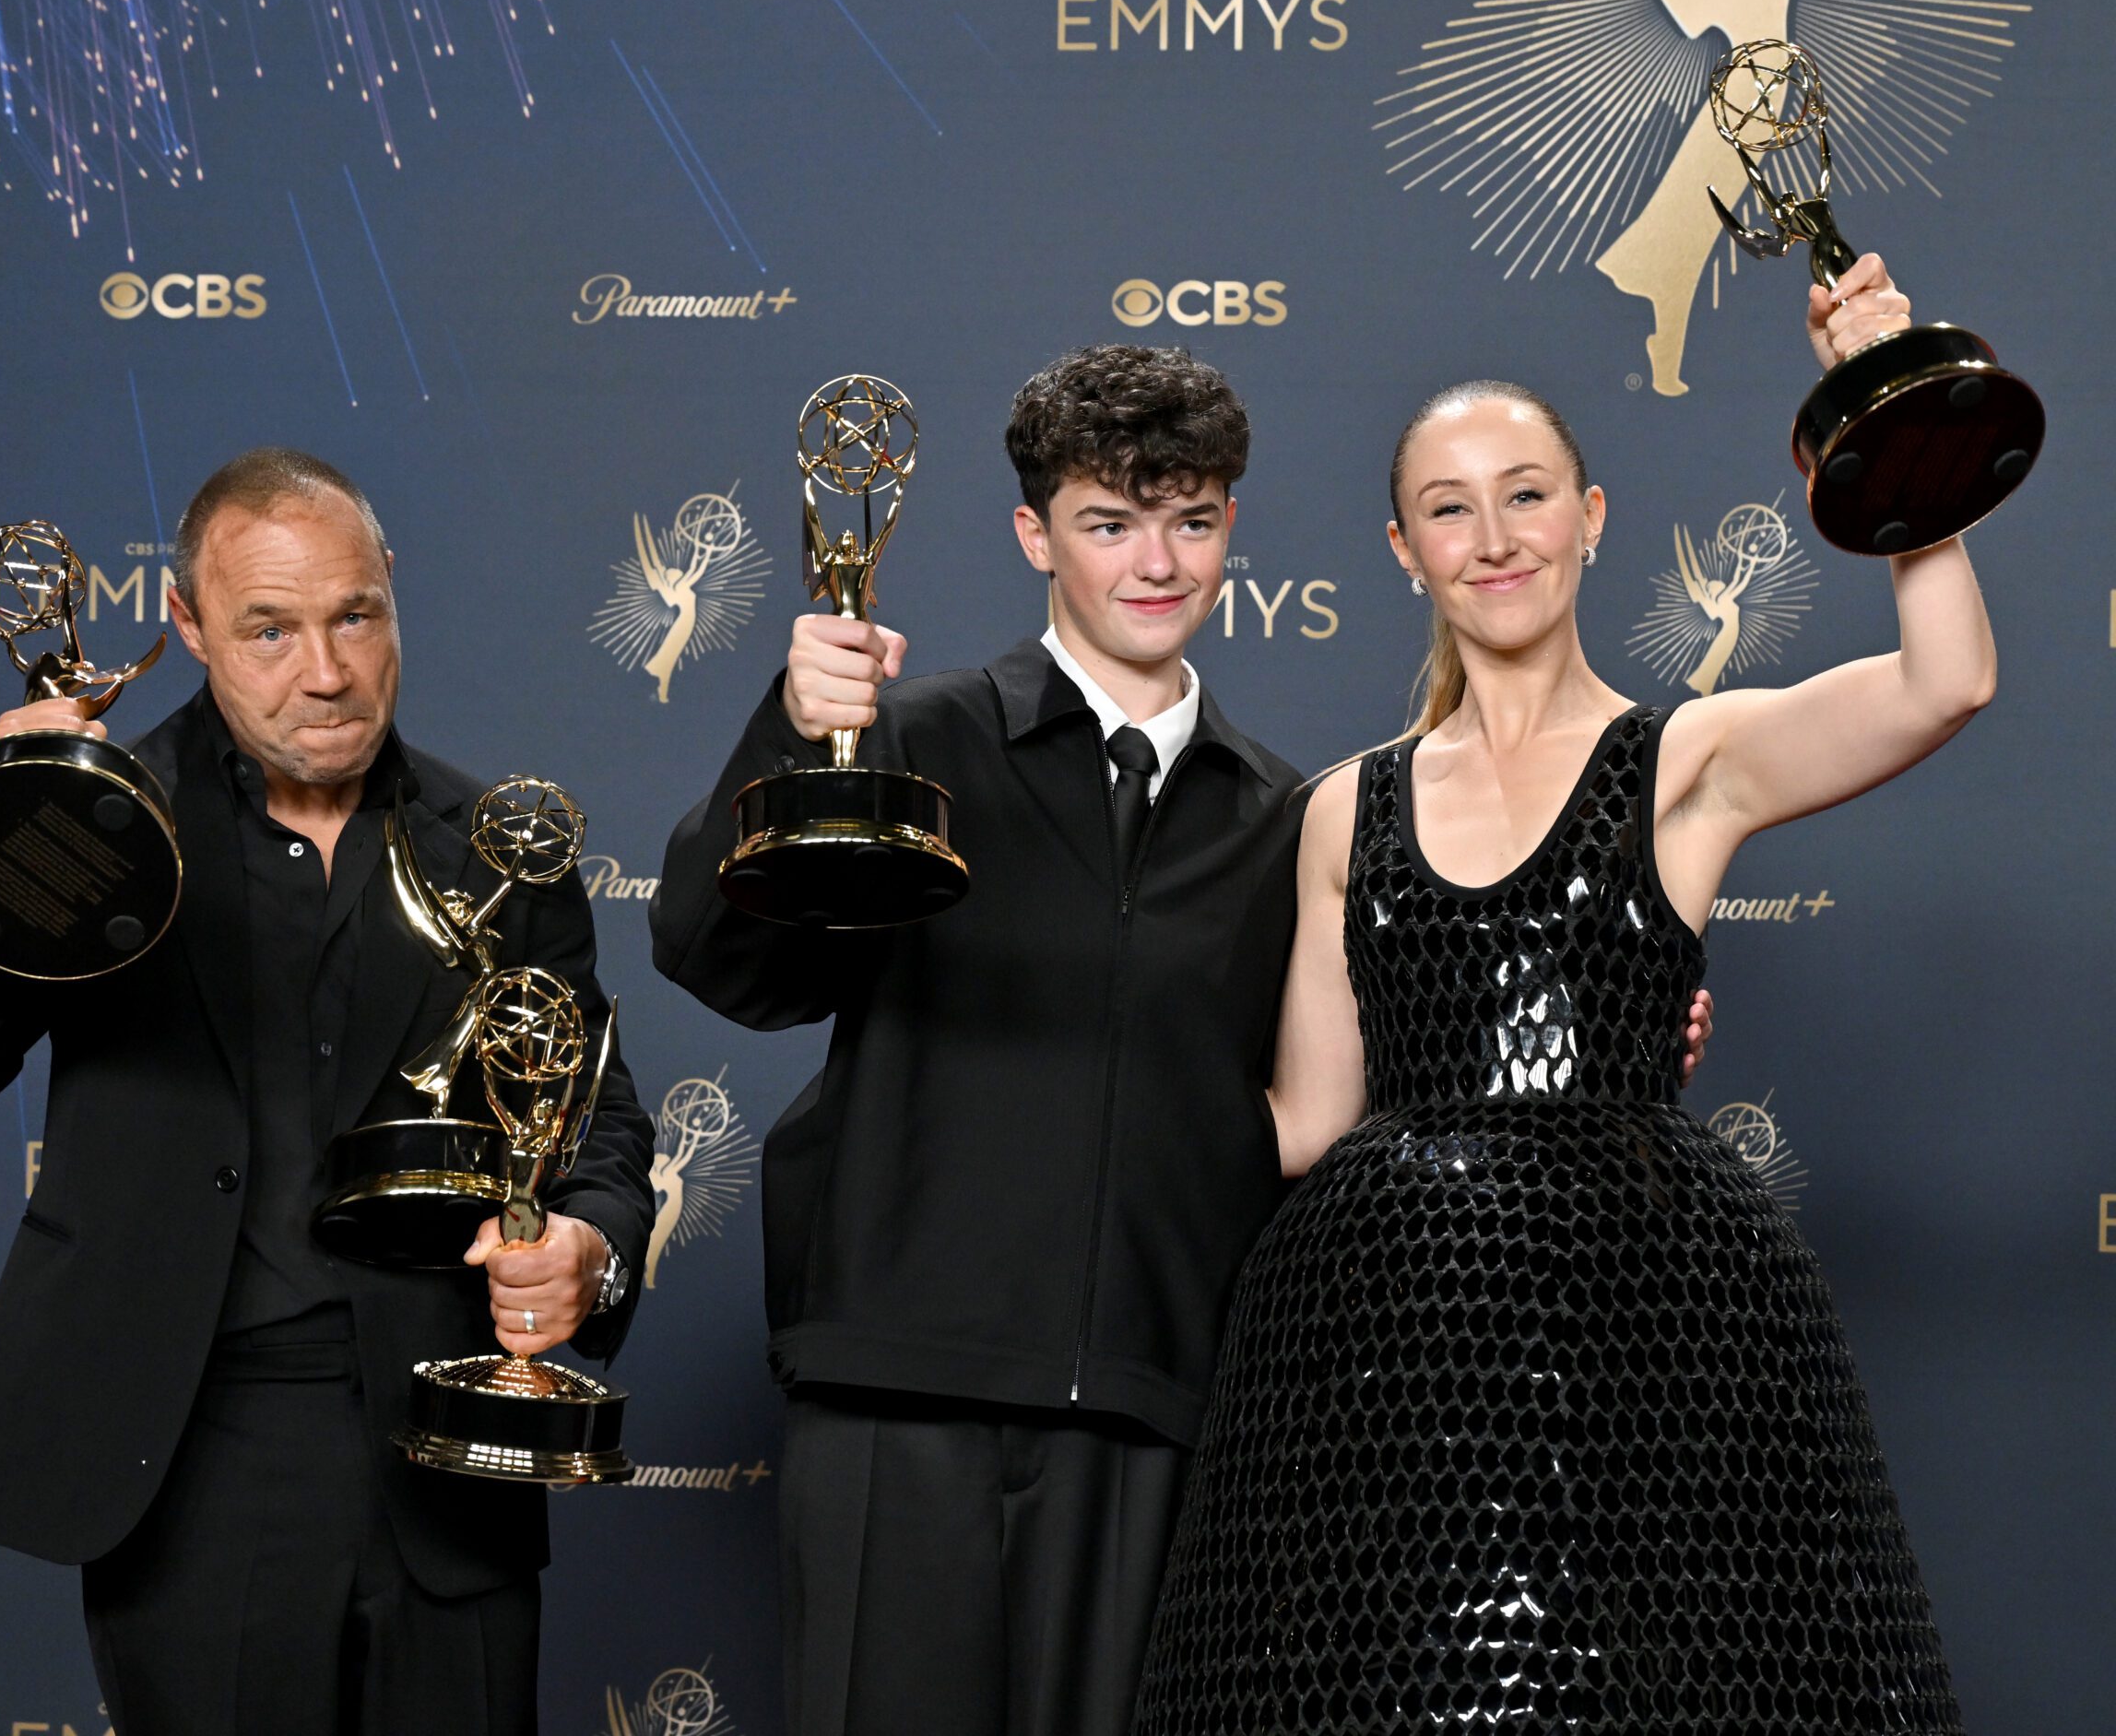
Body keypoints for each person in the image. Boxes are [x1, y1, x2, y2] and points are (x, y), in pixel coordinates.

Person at [651, 345, 1715, 1733]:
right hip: (902, 1391)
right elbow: (722, 957)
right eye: (1109, 523)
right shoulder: (912, 745)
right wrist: (794, 740)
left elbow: (1369, 1089)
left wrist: (1604, 1023)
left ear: (1229, 534)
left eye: (1191, 520)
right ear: (1038, 536)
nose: (1154, 563)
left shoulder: (1291, 817)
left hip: (1163, 1417)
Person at [1134, 254, 1984, 1734]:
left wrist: (1887, 403)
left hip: (1647, 1350)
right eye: (1450, 508)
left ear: (1592, 522)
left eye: (1526, 493)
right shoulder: (1345, 810)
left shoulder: (1690, 761)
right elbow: (1306, 1121)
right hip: (1390, 1366)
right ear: (1403, 549)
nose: (1493, 537)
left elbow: (1946, 682)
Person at [0, 449, 655, 1736]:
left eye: (354, 615)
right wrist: (5, 839)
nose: (326, 673)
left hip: (446, 1461)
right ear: (186, 627)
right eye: (269, 630)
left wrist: (588, 1248)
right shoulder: (103, 825)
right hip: (182, 1465)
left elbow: (598, 1122)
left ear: (393, 589)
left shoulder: (504, 847)